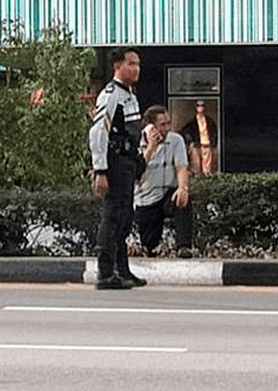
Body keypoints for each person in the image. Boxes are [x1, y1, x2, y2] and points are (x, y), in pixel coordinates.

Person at [89, 47, 146, 289]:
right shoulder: (110, 94)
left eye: (138, 64)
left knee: (125, 217)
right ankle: (105, 273)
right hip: (114, 162)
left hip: (128, 162)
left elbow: (135, 131)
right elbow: (98, 132)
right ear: (117, 67)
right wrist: (100, 170)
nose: (136, 69)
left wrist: (141, 159)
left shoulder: (130, 95)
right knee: (112, 217)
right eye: (131, 64)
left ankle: (121, 269)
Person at [135, 105, 193, 258]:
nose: (167, 128)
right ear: (150, 126)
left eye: (168, 123)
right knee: (150, 246)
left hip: (167, 193)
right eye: (162, 125)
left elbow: (181, 168)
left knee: (182, 200)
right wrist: (151, 148)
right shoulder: (136, 144)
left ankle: (184, 246)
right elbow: (136, 172)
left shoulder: (176, 140)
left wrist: (183, 188)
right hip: (145, 199)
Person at [180, 99, 218, 175]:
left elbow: (214, 131)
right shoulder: (192, 122)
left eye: (202, 105)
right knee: (197, 167)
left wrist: (213, 143)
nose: (201, 108)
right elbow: (184, 131)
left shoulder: (209, 120)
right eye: (198, 106)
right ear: (196, 108)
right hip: (198, 146)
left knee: (208, 169)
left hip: (207, 145)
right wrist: (191, 141)